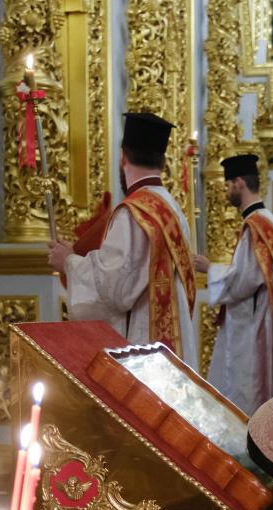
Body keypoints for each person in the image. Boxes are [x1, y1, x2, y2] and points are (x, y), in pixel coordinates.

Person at [49, 112, 198, 365]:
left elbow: (114, 289)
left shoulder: (133, 213)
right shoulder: (171, 208)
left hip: (146, 347)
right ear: (162, 161)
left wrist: (69, 263)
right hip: (173, 345)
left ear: (122, 157)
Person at [193, 154, 273, 413]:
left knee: (247, 392)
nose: (226, 192)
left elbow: (243, 281)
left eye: (227, 186)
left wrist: (210, 268)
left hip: (254, 324)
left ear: (239, 183)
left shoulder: (256, 225)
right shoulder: (268, 222)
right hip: (260, 317)